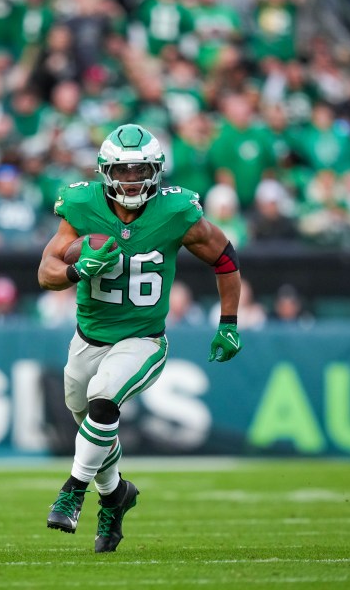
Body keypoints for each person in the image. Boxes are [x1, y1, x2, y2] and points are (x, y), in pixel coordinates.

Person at [38, 124, 242, 553]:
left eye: (140, 169)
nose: (132, 179)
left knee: (103, 398)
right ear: (105, 172)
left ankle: (72, 491)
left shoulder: (176, 212)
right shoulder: (80, 205)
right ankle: (115, 496)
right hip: (87, 338)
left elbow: (225, 258)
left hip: (143, 338)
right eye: (123, 170)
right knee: (93, 426)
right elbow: (46, 273)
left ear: (156, 170)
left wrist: (228, 321)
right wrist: (79, 270)